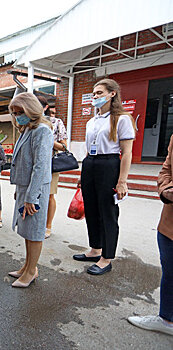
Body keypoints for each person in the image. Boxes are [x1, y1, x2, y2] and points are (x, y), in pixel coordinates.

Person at [73, 78, 136, 275]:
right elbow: (88, 149)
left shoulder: (122, 118)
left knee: (107, 212)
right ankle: (95, 249)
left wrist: (122, 181)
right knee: (91, 209)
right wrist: (83, 174)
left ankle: (106, 257)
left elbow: (126, 152)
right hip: (90, 163)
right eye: (94, 93)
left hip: (109, 165)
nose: (95, 96)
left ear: (112, 94)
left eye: (99, 93)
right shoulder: (92, 121)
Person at [128, 134, 173, 335]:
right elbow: (166, 169)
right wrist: (166, 190)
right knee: (169, 270)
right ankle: (167, 319)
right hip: (169, 222)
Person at [8, 92, 53, 288]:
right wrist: (21, 190)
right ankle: (27, 266)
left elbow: (41, 167)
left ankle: (32, 271)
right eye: (15, 113)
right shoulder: (27, 129)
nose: (17, 116)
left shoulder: (42, 130)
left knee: (34, 232)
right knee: (26, 230)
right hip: (26, 187)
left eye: (20, 112)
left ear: (31, 110)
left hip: (36, 190)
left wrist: (31, 196)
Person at [36, 96, 68, 239]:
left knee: (49, 195)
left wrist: (50, 140)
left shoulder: (56, 122)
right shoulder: (30, 122)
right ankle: (36, 223)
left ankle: (47, 226)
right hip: (33, 164)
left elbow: (64, 147)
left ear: (45, 107)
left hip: (49, 164)